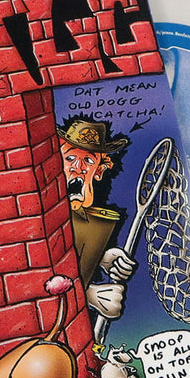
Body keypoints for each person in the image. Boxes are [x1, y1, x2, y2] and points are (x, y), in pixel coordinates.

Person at [56, 117, 138, 323]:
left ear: (99, 171)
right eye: (70, 158)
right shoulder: (42, 213)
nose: (78, 167)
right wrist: (90, 295)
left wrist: (102, 258)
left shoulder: (96, 222)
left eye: (89, 161)